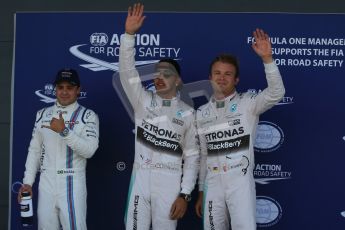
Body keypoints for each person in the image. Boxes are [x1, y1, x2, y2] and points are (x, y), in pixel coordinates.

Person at [119, 3, 200, 230]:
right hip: (141, 179)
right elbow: (127, 72)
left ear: (178, 81)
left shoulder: (188, 114)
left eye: (167, 74)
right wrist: (128, 36)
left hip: (170, 182)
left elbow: (193, 158)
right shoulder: (142, 100)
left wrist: (184, 194)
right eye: (158, 73)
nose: (160, 77)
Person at [194, 29, 285, 230]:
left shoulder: (249, 103)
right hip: (212, 184)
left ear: (236, 80)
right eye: (217, 73)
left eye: (228, 74)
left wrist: (268, 59)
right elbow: (203, 154)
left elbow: (277, 93)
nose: (222, 78)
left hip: (239, 181)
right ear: (210, 77)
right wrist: (201, 190)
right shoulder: (201, 113)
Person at [18, 68, 99, 229]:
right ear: (55, 88)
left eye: (69, 88)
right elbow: (34, 150)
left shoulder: (87, 116)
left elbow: (89, 151)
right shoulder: (42, 114)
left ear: (78, 90)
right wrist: (27, 182)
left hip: (72, 182)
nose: (64, 92)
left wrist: (64, 131)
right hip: (46, 183)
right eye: (60, 87)